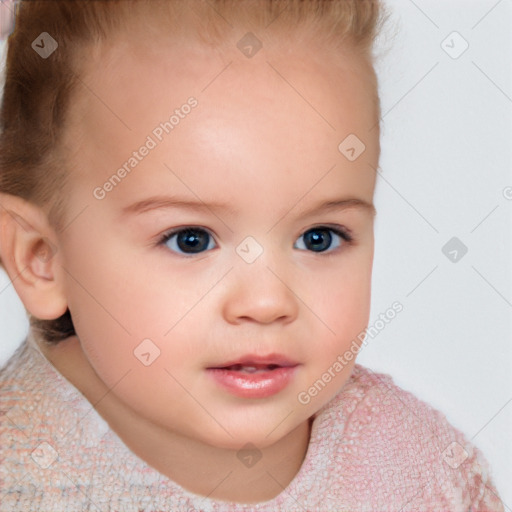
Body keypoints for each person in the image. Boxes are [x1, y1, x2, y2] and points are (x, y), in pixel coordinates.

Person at [0, 1, 504, 510]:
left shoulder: (420, 470)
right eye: (190, 239)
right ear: (40, 258)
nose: (267, 302)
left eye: (319, 237)